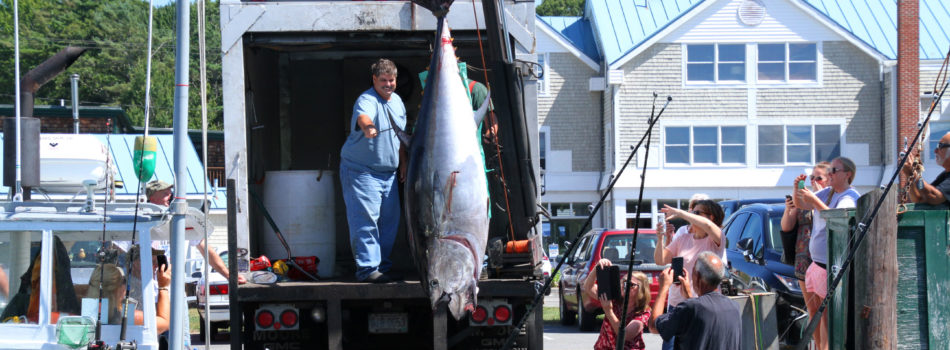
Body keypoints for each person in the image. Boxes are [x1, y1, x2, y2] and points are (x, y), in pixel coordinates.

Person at [340, 58, 407, 283]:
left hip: (389, 174)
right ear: (374, 80)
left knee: (390, 222)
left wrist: (403, 164)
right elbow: (363, 116)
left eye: (391, 80)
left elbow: (400, 137)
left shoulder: (398, 102)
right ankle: (368, 270)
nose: (388, 85)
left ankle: (382, 267)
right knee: (366, 221)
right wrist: (369, 128)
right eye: (383, 81)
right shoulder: (367, 99)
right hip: (362, 171)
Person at [795, 156, 859, 350]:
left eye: (834, 170)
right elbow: (801, 205)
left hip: (831, 264)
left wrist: (814, 198)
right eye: (829, 170)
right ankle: (819, 347)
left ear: (847, 174)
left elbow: (836, 219)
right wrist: (797, 187)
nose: (830, 174)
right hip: (817, 263)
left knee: (829, 315)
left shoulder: (849, 196)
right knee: (818, 313)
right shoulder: (828, 193)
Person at [653, 199, 725, 350]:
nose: (691, 215)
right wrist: (660, 238)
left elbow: (708, 226)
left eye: (696, 213)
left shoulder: (715, 239)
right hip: (677, 304)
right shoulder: (683, 237)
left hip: (702, 305)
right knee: (670, 347)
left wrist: (680, 213)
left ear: (711, 217)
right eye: (692, 212)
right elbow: (660, 260)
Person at [146, 180, 246, 284]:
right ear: (152, 198)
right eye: (165, 194)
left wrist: (228, 275)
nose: (170, 197)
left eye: (170, 193)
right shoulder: (140, 224)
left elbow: (207, 251)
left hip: (174, 293)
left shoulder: (182, 223)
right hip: (145, 293)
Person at [649, 251, 741, 349]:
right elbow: (703, 314)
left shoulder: (690, 307)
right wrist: (689, 296)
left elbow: (653, 326)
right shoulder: (734, 307)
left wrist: (663, 288)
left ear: (697, 276)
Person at [781, 162, 830, 330]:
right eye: (812, 177)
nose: (814, 181)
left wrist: (816, 196)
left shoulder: (831, 198)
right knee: (812, 309)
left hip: (825, 260)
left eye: (819, 178)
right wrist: (789, 210)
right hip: (804, 258)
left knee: (827, 311)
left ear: (829, 179)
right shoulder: (803, 200)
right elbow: (786, 227)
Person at [581, 259, 651, 350]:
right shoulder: (614, 299)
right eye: (623, 282)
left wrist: (609, 311)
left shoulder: (643, 313)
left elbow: (625, 335)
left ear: (641, 290)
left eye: (630, 285)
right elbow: (588, 287)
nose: (624, 286)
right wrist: (597, 267)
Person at [85, 263, 171, 334]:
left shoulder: (86, 314)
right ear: (117, 288)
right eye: (124, 280)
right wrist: (163, 286)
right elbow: (164, 323)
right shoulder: (127, 315)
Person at [903, 132, 950, 204]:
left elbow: (934, 197)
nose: (935, 151)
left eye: (940, 146)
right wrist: (910, 175)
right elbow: (919, 198)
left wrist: (915, 175)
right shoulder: (945, 175)